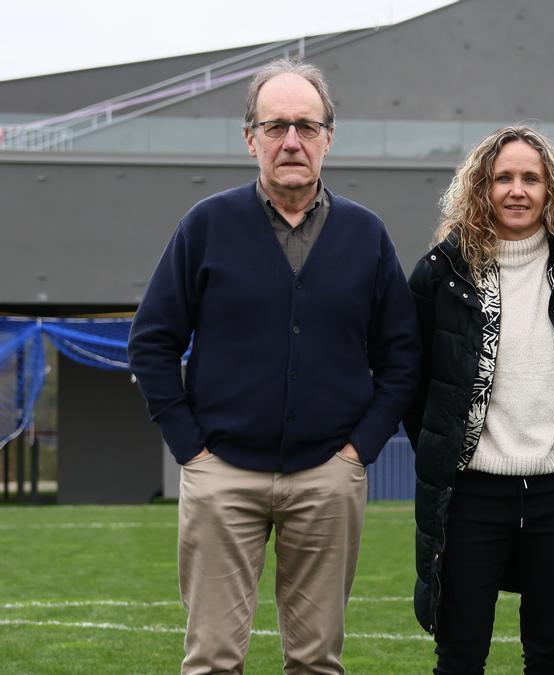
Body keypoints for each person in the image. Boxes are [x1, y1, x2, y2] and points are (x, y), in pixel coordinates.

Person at [128, 58, 421, 674]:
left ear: (329, 137)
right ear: (250, 138)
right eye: (276, 126)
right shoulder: (206, 225)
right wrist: (191, 450)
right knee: (212, 660)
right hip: (222, 475)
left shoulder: (366, 235)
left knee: (316, 662)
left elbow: (402, 354)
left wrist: (358, 451)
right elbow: (152, 341)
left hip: (327, 478)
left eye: (306, 126)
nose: (292, 141)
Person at [404, 125, 554, 673]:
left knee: (550, 652)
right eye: (503, 178)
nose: (517, 190)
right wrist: (447, 446)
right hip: (472, 491)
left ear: (552, 190)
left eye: (532, 177)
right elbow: (417, 387)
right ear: (482, 187)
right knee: (459, 652)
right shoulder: (442, 273)